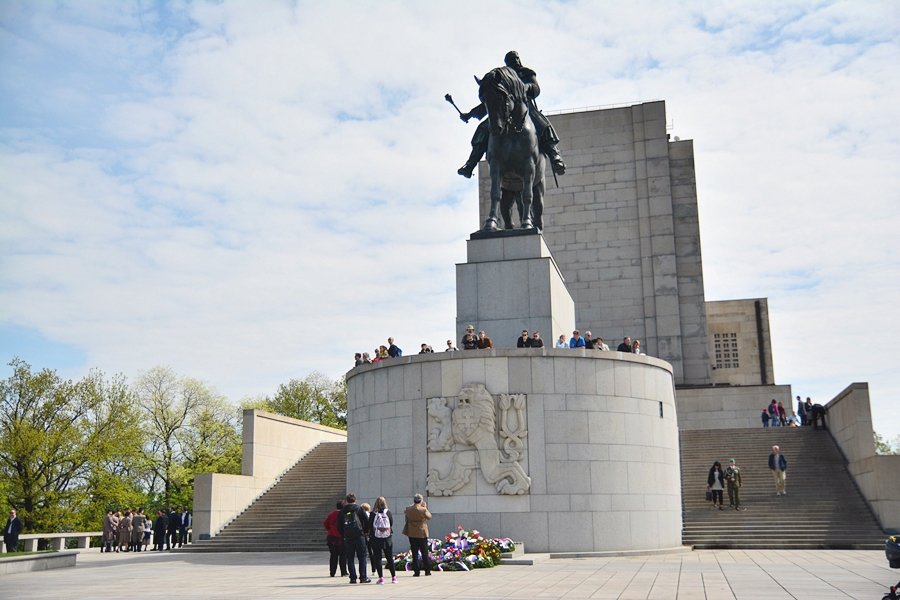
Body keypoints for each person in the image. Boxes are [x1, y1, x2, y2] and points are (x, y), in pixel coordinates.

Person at [457, 50, 566, 178]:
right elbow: (492, 100)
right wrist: (470, 114)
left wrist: (526, 87)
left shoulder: (526, 72)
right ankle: (470, 164)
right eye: (511, 60)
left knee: (543, 124)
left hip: (525, 107)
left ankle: (555, 156)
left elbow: (536, 89)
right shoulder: (502, 78)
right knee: (483, 129)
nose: (515, 61)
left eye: (516, 58)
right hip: (504, 111)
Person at [338, 493, 371, 584]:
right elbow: (367, 521)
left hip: (348, 538)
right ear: (355, 500)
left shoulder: (343, 510)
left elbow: (339, 525)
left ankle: (352, 578)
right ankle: (363, 577)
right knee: (362, 557)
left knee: (350, 558)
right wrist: (365, 531)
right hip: (359, 536)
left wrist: (344, 534)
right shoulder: (359, 509)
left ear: (346, 501)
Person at [367, 496, 397, 584]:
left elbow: (369, 525)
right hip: (387, 538)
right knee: (389, 558)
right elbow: (391, 523)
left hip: (376, 538)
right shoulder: (388, 512)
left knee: (378, 558)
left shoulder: (373, 513)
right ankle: (393, 577)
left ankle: (381, 578)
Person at [403, 493, 432, 576]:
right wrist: (425, 507)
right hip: (422, 533)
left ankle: (416, 571)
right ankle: (427, 570)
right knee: (424, 552)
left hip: (412, 532)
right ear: (421, 500)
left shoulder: (408, 509)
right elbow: (429, 517)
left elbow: (406, 519)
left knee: (414, 552)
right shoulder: (423, 509)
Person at [324, 501, 348, 578]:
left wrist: (329, 529)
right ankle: (343, 572)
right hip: (341, 538)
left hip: (331, 538)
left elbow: (325, 523)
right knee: (343, 555)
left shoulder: (331, 514)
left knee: (333, 556)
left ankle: (332, 572)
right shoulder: (344, 514)